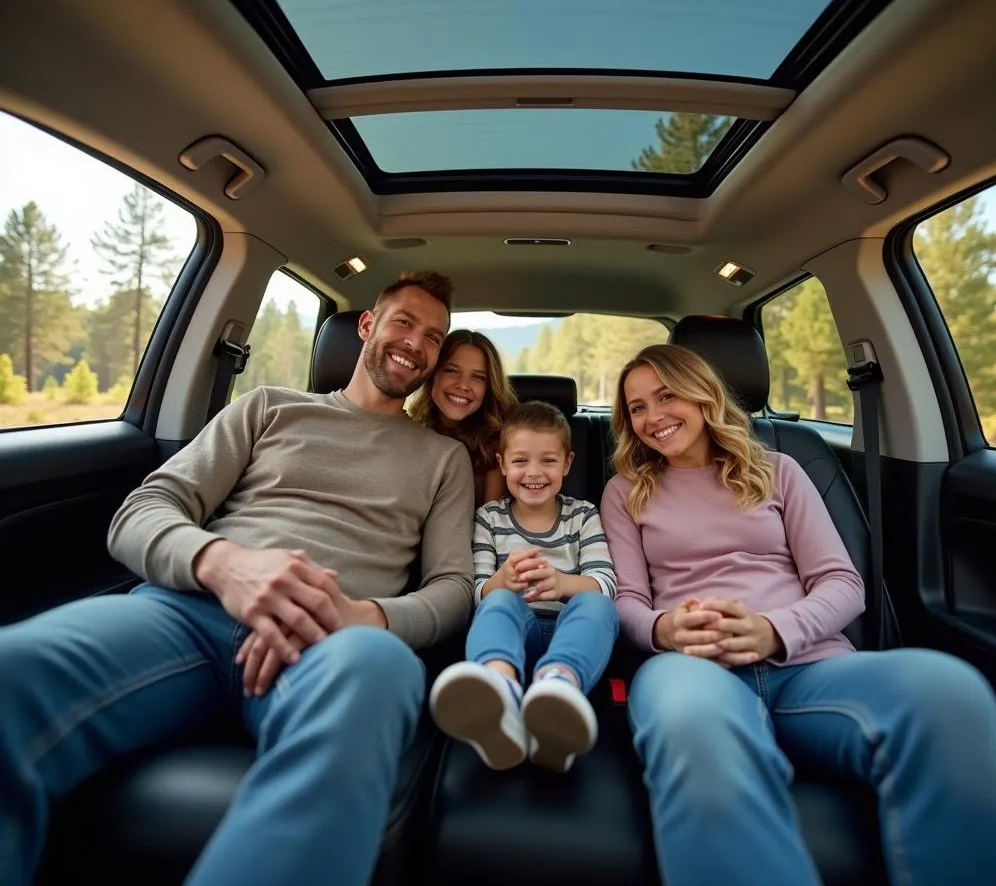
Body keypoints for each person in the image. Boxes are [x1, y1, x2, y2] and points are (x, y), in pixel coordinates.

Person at [0, 270, 476, 886]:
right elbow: (142, 511)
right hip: (186, 615)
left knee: (381, 668)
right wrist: (227, 564)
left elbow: (455, 589)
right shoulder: (268, 407)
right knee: (14, 669)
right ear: (367, 325)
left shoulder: (443, 458)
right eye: (404, 322)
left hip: (327, 643)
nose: (415, 343)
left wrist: (367, 617)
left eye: (433, 337)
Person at [600, 343, 996, 886]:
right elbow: (627, 602)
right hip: (693, 667)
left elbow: (843, 584)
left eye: (667, 395)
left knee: (948, 690)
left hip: (810, 668)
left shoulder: (780, 468)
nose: (653, 416)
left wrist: (773, 630)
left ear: (703, 393)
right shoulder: (627, 491)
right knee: (691, 721)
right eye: (637, 407)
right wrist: (666, 628)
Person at [429, 400, 619, 773]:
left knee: (598, 606)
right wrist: (504, 581)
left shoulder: (583, 516)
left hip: (573, 636)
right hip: (517, 635)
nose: (534, 472)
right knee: (497, 601)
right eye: (520, 461)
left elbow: (606, 583)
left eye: (548, 461)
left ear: (567, 463)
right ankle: (499, 688)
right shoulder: (489, 518)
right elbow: (477, 590)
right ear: (502, 465)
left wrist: (561, 582)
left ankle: (559, 688)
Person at [409, 328, 517, 505]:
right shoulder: (410, 432)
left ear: (489, 388)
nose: (463, 385)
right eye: (451, 370)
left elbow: (488, 523)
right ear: (432, 374)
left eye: (478, 377)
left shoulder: (495, 445)